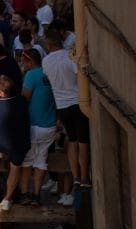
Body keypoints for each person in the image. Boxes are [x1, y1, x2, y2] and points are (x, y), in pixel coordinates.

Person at [43, 29, 90, 200]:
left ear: (49, 44)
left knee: (72, 139)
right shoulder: (69, 57)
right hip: (78, 102)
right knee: (83, 141)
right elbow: (79, 75)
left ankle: (76, 176)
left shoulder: (46, 61)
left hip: (61, 106)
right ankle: (84, 176)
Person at [0, 75, 30, 217]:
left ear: (0, 91)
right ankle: (7, 198)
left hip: (1, 146)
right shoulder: (21, 101)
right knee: (15, 168)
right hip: (21, 144)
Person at [19, 48, 58, 205]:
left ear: (29, 62)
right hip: (50, 124)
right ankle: (36, 195)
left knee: (27, 161)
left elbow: (24, 97)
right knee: (41, 160)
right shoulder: (48, 73)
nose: (22, 64)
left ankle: (25, 194)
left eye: (23, 62)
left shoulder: (31, 75)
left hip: (34, 125)